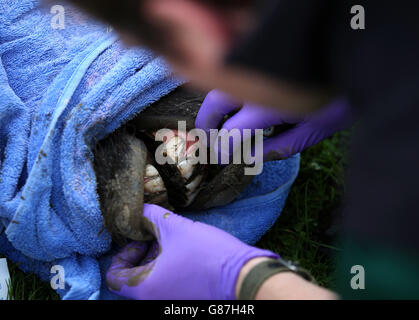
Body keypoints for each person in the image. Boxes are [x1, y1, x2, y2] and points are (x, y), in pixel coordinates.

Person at [65, 0, 419, 299]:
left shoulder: (396, 200)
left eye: (168, 56)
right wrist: (348, 89)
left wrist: (249, 280)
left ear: (186, 23)